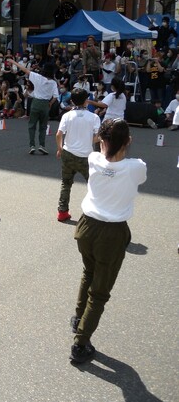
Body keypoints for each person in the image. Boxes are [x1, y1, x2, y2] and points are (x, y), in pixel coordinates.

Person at [68, 119, 146, 364]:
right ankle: (80, 343)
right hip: (112, 233)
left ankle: (78, 317)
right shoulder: (136, 167)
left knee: (88, 272)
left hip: (86, 226)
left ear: (101, 140)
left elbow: (102, 153)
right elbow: (135, 176)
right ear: (128, 141)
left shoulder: (93, 159)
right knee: (100, 292)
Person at [55, 88, 101, 222]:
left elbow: (59, 134)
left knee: (66, 183)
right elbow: (98, 136)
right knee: (92, 184)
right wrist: (88, 140)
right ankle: (94, 212)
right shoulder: (94, 117)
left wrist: (59, 148)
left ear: (72, 101)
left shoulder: (67, 115)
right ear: (86, 101)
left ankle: (62, 212)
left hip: (68, 153)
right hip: (86, 156)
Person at [13, 60, 58, 154]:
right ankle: (42, 145)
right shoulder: (53, 83)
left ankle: (32, 145)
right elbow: (55, 96)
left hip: (36, 102)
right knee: (43, 126)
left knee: (32, 125)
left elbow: (25, 70)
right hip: (46, 104)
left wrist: (14, 62)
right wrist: (50, 103)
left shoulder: (37, 77)